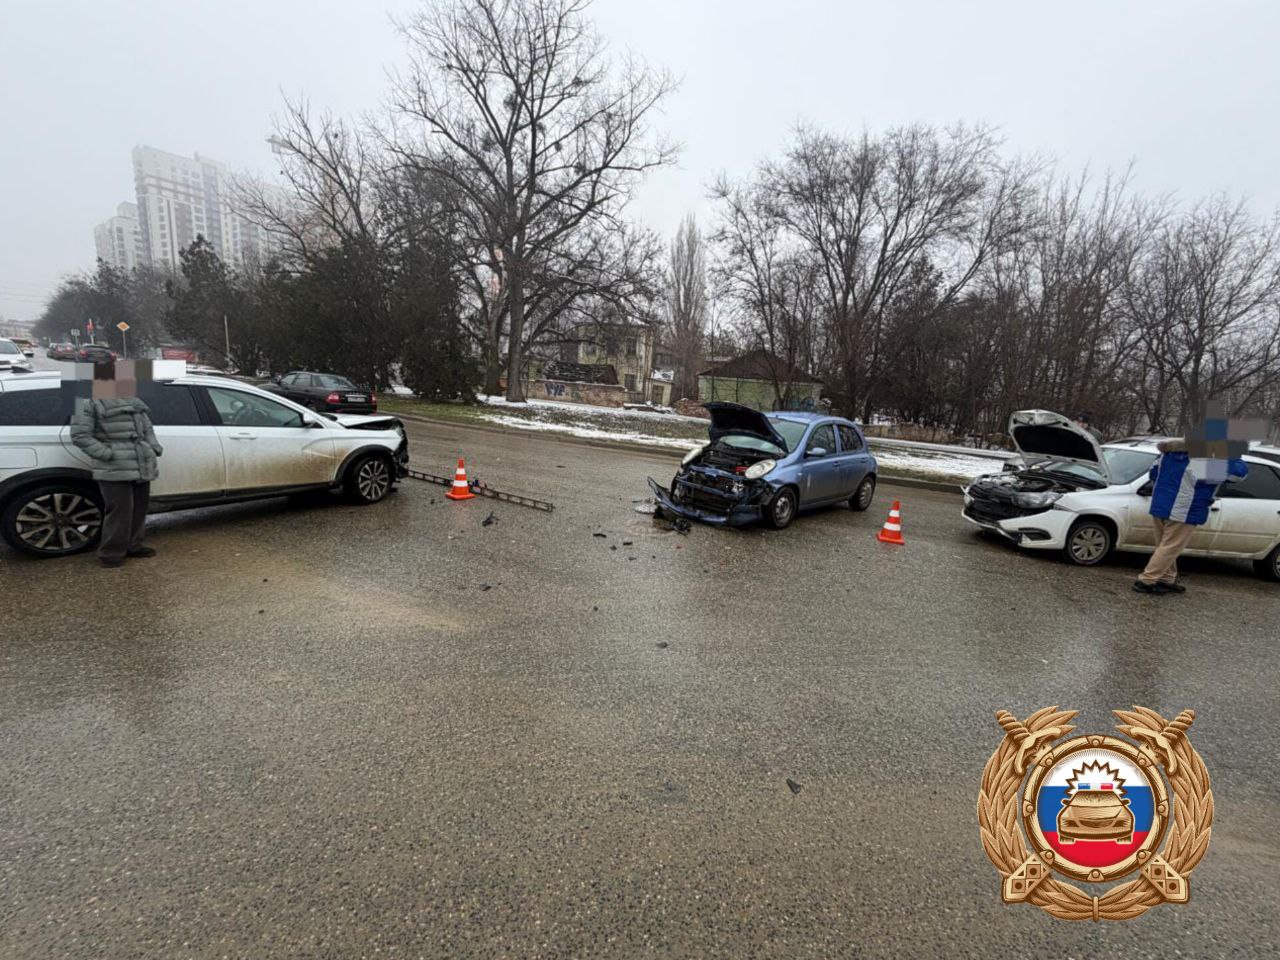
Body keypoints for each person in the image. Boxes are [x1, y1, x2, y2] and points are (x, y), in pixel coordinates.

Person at [69, 364, 163, 568]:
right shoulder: (84, 401)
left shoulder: (134, 401)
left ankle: (134, 546)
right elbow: (79, 435)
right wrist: (107, 454)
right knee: (119, 511)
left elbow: (148, 429)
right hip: (114, 466)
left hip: (142, 463)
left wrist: (153, 446)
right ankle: (110, 553)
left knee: (139, 509)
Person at [1135, 437, 1247, 594]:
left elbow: (1153, 474)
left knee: (1166, 547)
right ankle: (1146, 581)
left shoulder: (1167, 455)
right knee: (1170, 547)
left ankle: (1166, 579)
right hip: (1184, 509)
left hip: (1160, 505)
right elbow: (1237, 474)